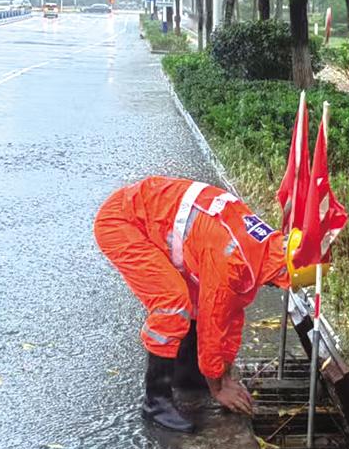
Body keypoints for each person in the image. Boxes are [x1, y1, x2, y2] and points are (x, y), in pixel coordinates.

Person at [94, 175, 292, 432]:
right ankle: (156, 402)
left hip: (150, 215)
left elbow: (231, 314)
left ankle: (185, 377)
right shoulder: (232, 259)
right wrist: (218, 387)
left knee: (197, 295)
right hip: (121, 223)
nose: (277, 287)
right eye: (282, 283)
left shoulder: (260, 249)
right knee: (172, 302)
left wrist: (224, 374)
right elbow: (213, 321)